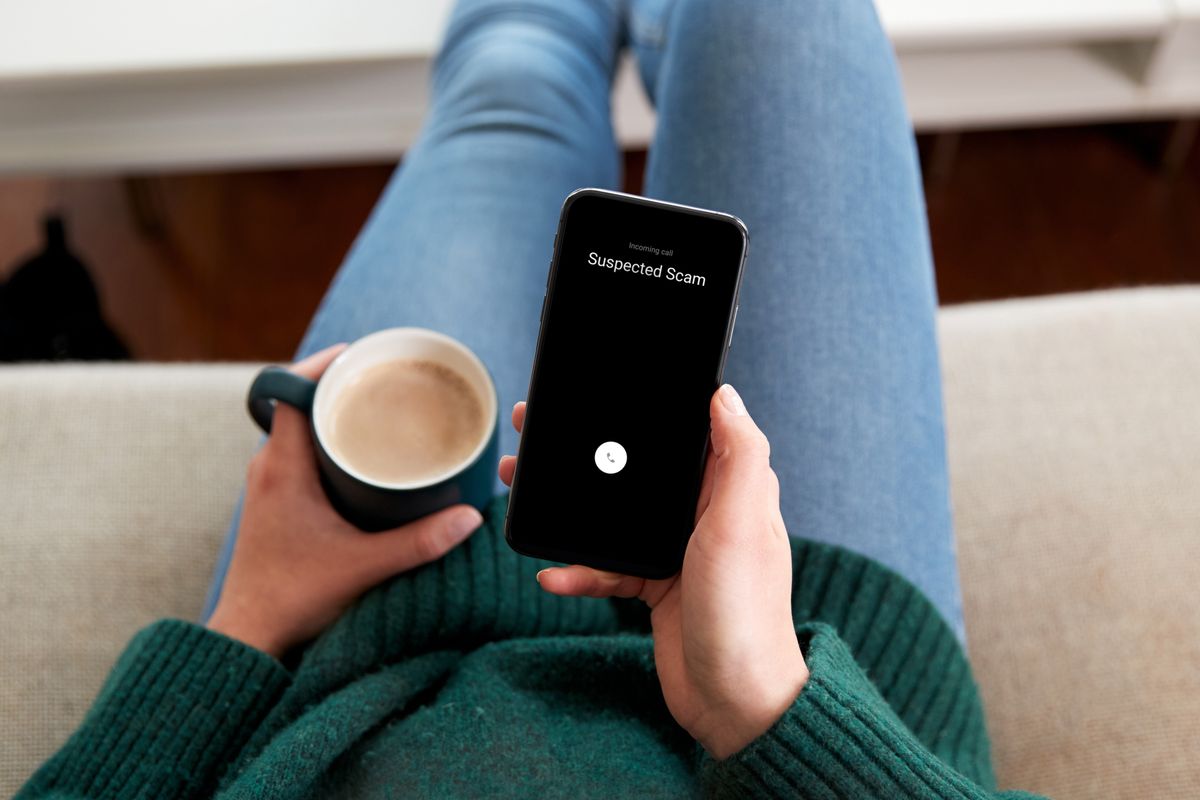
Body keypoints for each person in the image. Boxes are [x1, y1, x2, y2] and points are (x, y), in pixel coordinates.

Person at [18, 0, 1047, 797]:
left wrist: (247, 618)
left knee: (513, 72)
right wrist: (769, 705)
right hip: (816, 673)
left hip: (383, 645)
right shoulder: (784, 693)